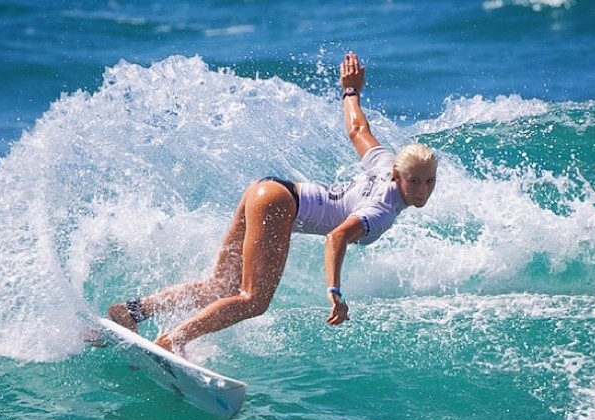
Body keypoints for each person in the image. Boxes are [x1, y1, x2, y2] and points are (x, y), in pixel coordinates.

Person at [108, 52, 437, 354]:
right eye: (415, 181)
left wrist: (350, 91)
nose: (422, 190)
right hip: (279, 205)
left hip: (267, 190)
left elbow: (357, 129)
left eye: (429, 181)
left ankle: (132, 311)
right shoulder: (380, 210)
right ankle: (170, 342)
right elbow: (336, 237)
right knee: (253, 300)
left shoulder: (384, 164)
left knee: (220, 286)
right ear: (398, 175)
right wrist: (335, 292)